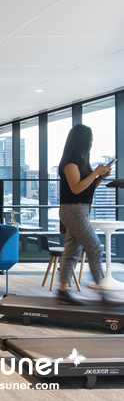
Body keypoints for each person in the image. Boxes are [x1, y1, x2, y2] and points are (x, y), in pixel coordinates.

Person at [57, 124, 112, 305]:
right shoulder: (70, 163)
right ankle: (103, 292)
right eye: (90, 140)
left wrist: (99, 178)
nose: (91, 144)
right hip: (73, 210)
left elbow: (86, 189)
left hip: (81, 209)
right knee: (95, 247)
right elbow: (76, 188)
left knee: (72, 250)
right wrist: (96, 172)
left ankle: (62, 290)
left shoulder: (81, 162)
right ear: (82, 141)